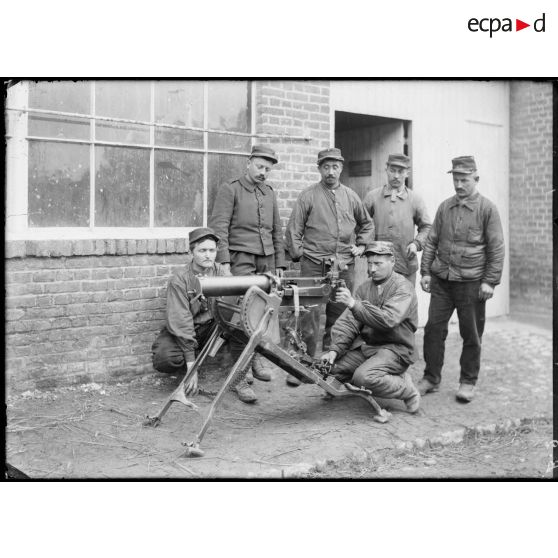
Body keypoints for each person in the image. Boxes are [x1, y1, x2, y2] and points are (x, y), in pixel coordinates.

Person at [419, 156, 505, 403]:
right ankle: (431, 378)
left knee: (472, 334)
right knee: (433, 330)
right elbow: (432, 240)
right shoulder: (445, 207)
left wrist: (490, 281)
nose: (458, 184)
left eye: (464, 179)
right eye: (455, 179)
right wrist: (425, 272)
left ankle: (468, 382)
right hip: (442, 282)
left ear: (476, 179)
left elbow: (496, 248)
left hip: (472, 284)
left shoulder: (487, 209)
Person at [209, 144, 286, 402]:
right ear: (248, 163)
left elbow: (277, 230)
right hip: (240, 260)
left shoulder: (269, 193)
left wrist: (279, 266)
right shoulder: (230, 189)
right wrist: (225, 264)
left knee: (264, 313)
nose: (264, 172)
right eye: (260, 166)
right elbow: (219, 228)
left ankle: (257, 362)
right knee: (240, 317)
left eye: (268, 169)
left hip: (266, 261)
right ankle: (241, 379)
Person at [321, 241, 421, 413]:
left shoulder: (403, 288)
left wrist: (354, 304)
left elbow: (387, 320)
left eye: (378, 263)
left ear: (392, 262)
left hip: (396, 349)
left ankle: (407, 389)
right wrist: (335, 350)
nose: (372, 269)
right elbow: (349, 322)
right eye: (369, 263)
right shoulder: (365, 287)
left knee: (363, 377)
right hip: (369, 347)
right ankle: (347, 376)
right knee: (330, 366)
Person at [152, 227, 229, 396]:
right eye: (202, 251)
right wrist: (191, 367)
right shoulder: (180, 280)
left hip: (213, 327)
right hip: (188, 328)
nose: (208, 255)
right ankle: (190, 360)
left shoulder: (221, 273)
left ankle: (242, 375)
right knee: (164, 358)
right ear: (191, 252)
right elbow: (181, 321)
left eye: (212, 250)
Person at [363, 153, 431, 285]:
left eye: (401, 171)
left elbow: (427, 227)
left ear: (407, 173)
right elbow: (360, 224)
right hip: (378, 266)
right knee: (377, 303)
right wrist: (367, 244)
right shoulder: (373, 197)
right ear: (386, 170)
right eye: (392, 171)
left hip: (405, 263)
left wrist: (416, 244)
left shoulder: (415, 199)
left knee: (405, 302)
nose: (396, 176)